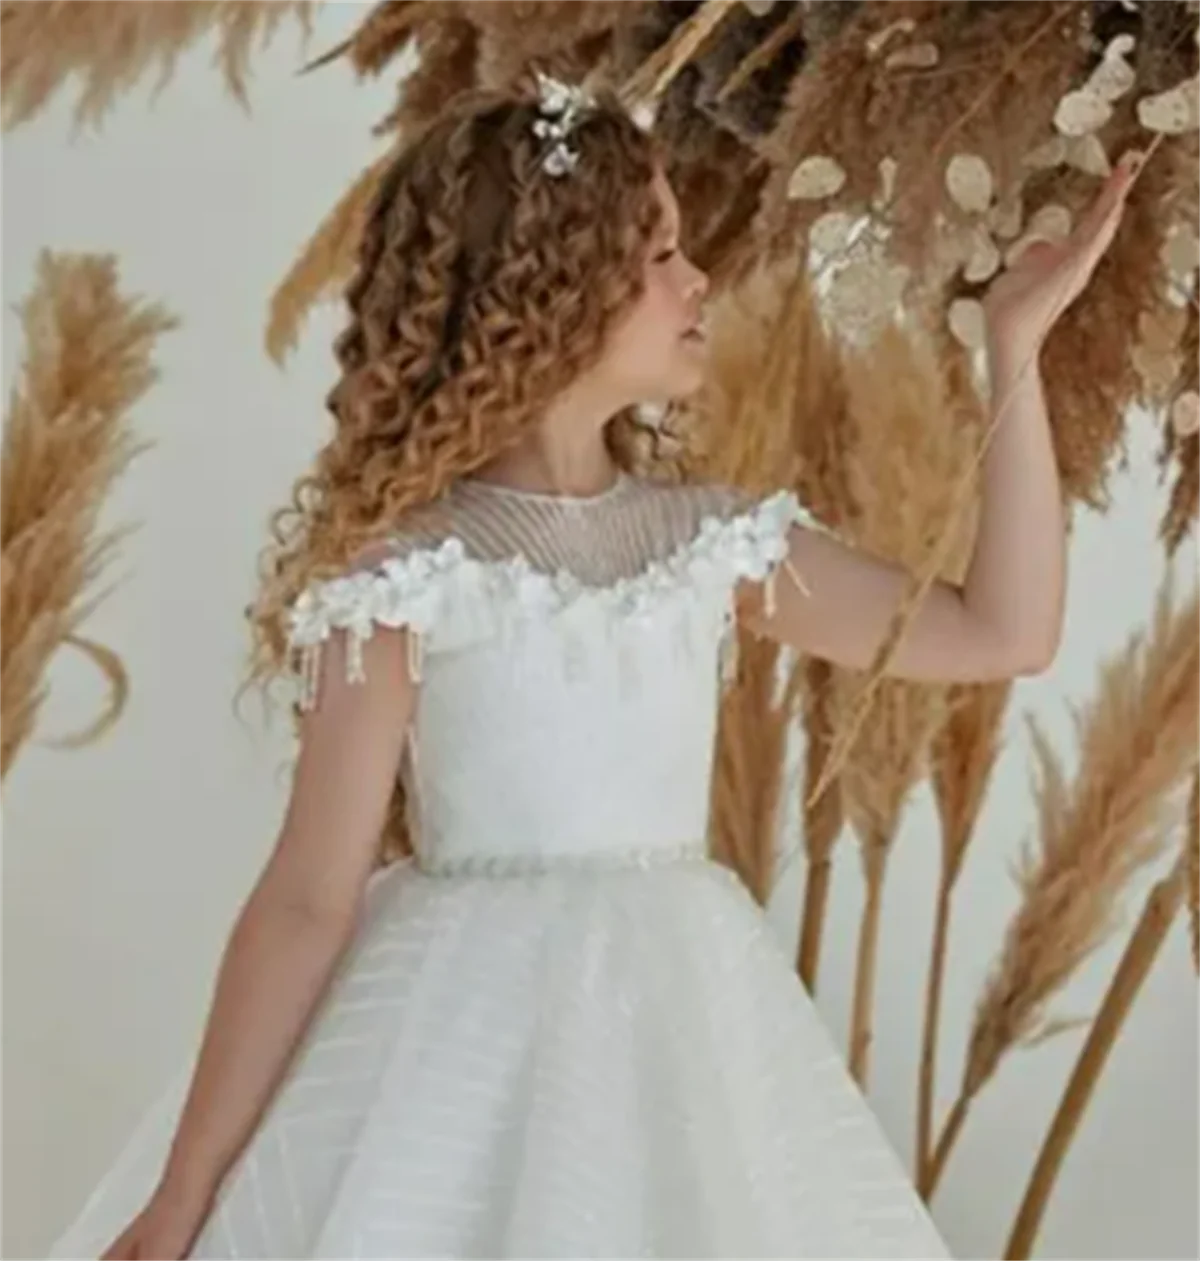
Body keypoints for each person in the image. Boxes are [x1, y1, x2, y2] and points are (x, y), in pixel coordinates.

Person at [50, 73, 1138, 1261]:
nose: (696, 280)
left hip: (685, 1042)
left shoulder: (708, 544)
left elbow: (1002, 633)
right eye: (657, 253)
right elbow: (309, 896)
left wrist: (1015, 353)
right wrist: (184, 1194)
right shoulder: (407, 576)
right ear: (552, 289)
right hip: (457, 1050)